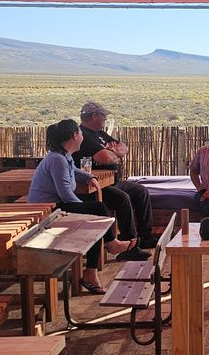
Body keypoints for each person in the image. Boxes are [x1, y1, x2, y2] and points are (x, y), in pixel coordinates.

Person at [28, 119, 135, 294]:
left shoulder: (63, 156)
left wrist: (88, 177)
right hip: (47, 211)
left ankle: (92, 270)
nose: (83, 136)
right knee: (97, 211)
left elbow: (74, 170)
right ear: (74, 136)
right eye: (81, 133)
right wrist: (87, 213)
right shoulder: (57, 159)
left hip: (55, 206)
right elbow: (66, 195)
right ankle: (110, 246)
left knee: (95, 216)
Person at [74, 101, 155, 260]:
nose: (104, 119)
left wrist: (113, 151)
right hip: (94, 186)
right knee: (122, 199)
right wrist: (111, 152)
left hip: (112, 181)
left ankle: (145, 237)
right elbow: (105, 158)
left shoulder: (100, 134)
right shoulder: (84, 136)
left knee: (141, 191)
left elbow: (123, 147)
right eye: (103, 116)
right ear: (94, 116)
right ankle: (129, 246)